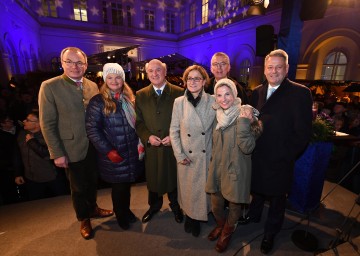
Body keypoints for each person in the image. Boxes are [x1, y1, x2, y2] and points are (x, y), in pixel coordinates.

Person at [240, 49, 313, 254]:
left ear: (287, 68)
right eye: (270, 67)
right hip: (258, 155)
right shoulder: (257, 91)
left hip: (281, 158)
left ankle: (270, 233)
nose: (274, 71)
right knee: (258, 191)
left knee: (277, 198)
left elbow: (303, 132)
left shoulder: (300, 93)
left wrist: (286, 155)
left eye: (279, 67)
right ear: (264, 69)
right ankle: (253, 216)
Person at [38, 47, 114, 240]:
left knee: (92, 181)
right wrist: (56, 152)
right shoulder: (49, 86)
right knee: (78, 186)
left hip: (93, 145)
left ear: (86, 65)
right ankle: (83, 218)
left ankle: (93, 208)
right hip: (70, 147)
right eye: (70, 62)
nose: (75, 66)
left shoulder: (92, 85)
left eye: (79, 62)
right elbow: (47, 123)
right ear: (62, 64)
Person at [205, 78, 262, 253]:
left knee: (235, 206)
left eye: (227, 94)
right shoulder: (217, 116)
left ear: (234, 94)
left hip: (236, 170)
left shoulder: (245, 115)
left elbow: (248, 147)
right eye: (219, 95)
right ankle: (222, 225)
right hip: (218, 169)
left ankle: (227, 231)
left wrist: (244, 122)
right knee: (216, 205)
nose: (223, 99)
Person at [85, 63, 144, 230]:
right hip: (114, 152)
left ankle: (125, 210)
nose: (114, 80)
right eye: (110, 77)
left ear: (123, 79)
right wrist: (108, 150)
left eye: (118, 77)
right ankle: (121, 215)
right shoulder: (98, 101)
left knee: (126, 186)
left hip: (130, 151)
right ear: (105, 80)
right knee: (119, 188)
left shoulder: (128, 99)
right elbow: (92, 129)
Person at [135, 59, 184, 224]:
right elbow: (139, 122)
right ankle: (154, 207)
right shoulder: (140, 95)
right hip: (153, 148)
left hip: (172, 146)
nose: (155, 74)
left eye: (158, 70)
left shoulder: (179, 92)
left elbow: (186, 120)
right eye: (151, 71)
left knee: (174, 179)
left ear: (165, 72)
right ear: (147, 74)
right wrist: (147, 137)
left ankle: (177, 207)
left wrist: (175, 136)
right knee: (153, 178)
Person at [169, 65, 215, 237]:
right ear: (185, 81)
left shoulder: (213, 101)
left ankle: (200, 215)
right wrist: (179, 154)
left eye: (197, 78)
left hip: (206, 155)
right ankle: (190, 216)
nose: (193, 82)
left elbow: (217, 129)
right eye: (190, 78)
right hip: (187, 156)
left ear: (204, 81)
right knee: (189, 190)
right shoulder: (178, 103)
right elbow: (173, 130)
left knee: (203, 190)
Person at [15, 111, 69, 200]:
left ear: (38, 123)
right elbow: (17, 155)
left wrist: (32, 142)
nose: (24, 121)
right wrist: (18, 174)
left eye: (28, 120)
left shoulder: (48, 136)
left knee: (63, 200)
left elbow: (47, 155)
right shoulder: (21, 134)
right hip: (31, 178)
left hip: (52, 176)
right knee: (36, 206)